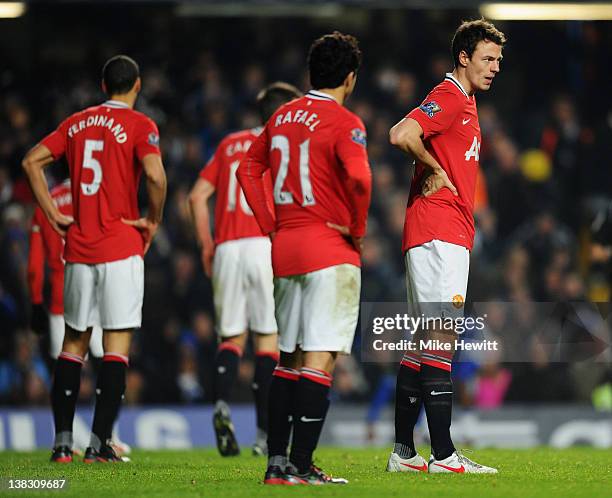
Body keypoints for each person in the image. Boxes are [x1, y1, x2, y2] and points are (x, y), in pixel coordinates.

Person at [238, 32, 371, 485]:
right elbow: (360, 178)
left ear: (311, 73)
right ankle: (302, 463)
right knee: (320, 359)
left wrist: (269, 221)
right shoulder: (345, 121)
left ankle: (276, 463)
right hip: (328, 251)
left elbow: (247, 168)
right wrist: (355, 230)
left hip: (286, 247)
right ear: (350, 78)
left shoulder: (280, 117)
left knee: (287, 359)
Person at [22, 55, 167, 463]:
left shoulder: (76, 123)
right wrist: (153, 219)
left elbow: (31, 161)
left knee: (73, 344)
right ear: (136, 86)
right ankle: (101, 443)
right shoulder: (141, 125)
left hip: (79, 248)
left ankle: (62, 443)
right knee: (116, 345)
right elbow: (155, 176)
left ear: (104, 87)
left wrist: (52, 214)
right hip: (121, 245)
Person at [387, 20, 505, 474]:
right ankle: (443, 455)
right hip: (440, 230)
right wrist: (434, 166)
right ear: (464, 56)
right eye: (487, 58)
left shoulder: (467, 101)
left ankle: (403, 453)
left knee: (422, 341)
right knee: (441, 337)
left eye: (498, 61)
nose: (495, 67)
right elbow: (401, 134)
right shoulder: (451, 95)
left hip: (438, 230)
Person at [189, 82, 301, 457]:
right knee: (267, 342)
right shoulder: (282, 143)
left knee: (231, 339)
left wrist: (207, 243)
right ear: (284, 110)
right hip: (263, 244)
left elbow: (196, 196)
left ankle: (221, 406)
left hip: (226, 248)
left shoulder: (228, 144)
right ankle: (263, 436)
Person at [28, 178, 104, 364]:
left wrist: (36, 302)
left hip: (61, 298)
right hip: (95, 295)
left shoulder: (44, 204)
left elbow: (34, 267)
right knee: (106, 365)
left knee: (63, 370)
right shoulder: (98, 199)